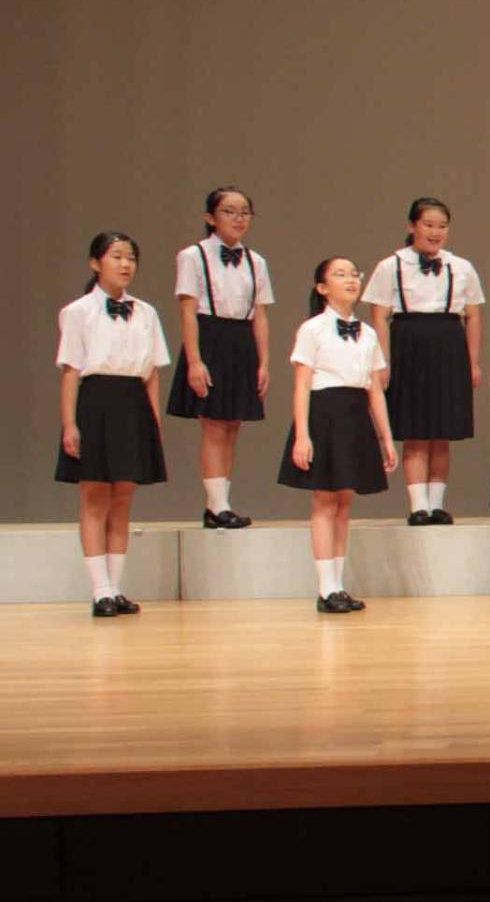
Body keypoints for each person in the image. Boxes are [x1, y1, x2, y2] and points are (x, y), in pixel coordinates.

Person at [55, 232, 170, 618]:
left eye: (131, 257)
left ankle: (116, 587)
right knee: (94, 496)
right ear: (95, 263)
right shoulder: (78, 311)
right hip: (96, 402)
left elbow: (152, 372)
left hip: (133, 402)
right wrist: (70, 424)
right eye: (117, 256)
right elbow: (71, 371)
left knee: (123, 497)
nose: (125, 264)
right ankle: (100, 589)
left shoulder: (147, 312)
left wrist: (153, 421)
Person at [277, 258, 395, 613]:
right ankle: (326, 588)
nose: (351, 279)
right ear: (322, 287)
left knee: (345, 502)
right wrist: (302, 434)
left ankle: (339, 585)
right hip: (324, 414)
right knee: (325, 501)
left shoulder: (368, 333)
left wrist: (386, 438)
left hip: (356, 415)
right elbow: (301, 386)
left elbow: (375, 390)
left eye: (354, 274)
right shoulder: (312, 329)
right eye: (340, 274)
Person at [363, 197, 484, 526]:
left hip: (449, 344)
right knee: (416, 431)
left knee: (442, 431)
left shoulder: (461, 267)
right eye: (428, 225)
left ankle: (437, 504)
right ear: (412, 226)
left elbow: (473, 316)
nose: (435, 232)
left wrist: (472, 361)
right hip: (408, 342)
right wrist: (383, 362)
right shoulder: (392, 265)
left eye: (442, 226)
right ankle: (418, 506)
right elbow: (379, 317)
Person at [165, 186, 272, 530]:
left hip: (242, 341)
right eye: (229, 211)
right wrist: (195, 361)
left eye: (244, 211)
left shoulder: (256, 261)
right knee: (213, 425)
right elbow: (187, 311)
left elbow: (260, 314)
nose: (238, 218)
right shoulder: (192, 256)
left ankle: (220, 503)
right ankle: (217, 505)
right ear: (210, 218)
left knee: (233, 425)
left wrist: (263, 362)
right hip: (209, 338)